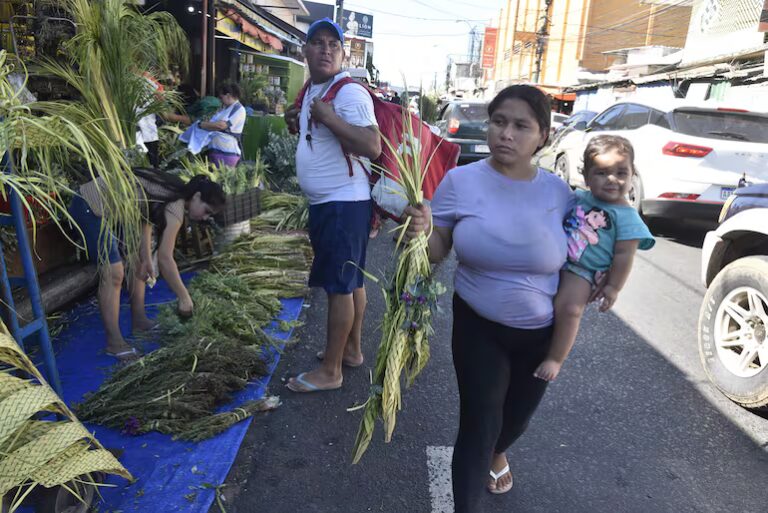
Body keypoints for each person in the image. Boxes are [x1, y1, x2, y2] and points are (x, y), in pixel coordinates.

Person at [404, 85, 573, 512]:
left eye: (521, 126)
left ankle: (501, 451)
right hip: (479, 324)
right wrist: (422, 232)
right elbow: (438, 251)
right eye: (499, 121)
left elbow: (584, 253)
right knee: (480, 422)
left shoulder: (560, 193)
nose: (506, 134)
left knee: (515, 421)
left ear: (543, 136)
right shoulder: (460, 182)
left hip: (541, 332)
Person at [284, 17, 381, 392]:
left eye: (333, 45)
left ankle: (331, 372)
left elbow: (371, 145)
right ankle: (351, 351)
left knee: (339, 287)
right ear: (305, 50)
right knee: (352, 282)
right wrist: (299, 116)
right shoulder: (313, 88)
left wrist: (329, 117)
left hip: (342, 204)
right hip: (335, 204)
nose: (326, 49)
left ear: (342, 53)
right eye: (318, 42)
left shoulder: (348, 93)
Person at [69, 169, 225, 362]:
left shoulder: (174, 191)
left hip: (110, 210)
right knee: (114, 272)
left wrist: (144, 257)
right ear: (197, 196)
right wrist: (184, 297)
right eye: (206, 211)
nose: (204, 218)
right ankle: (114, 343)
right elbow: (165, 259)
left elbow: (145, 216)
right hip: (89, 206)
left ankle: (139, 321)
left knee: (137, 263)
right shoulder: (176, 206)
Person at [533, 135, 655, 382]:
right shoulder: (578, 197)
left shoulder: (628, 217)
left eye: (621, 173)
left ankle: (555, 358)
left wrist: (612, 287)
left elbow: (624, 256)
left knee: (569, 309)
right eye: (601, 173)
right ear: (586, 177)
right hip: (555, 258)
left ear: (632, 177)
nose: (612, 180)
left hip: (581, 271)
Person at [179, 83, 246, 167]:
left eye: (221, 97)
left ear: (228, 95)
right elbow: (214, 122)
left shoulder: (239, 110)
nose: (220, 100)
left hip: (227, 153)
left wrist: (201, 125)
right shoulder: (225, 108)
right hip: (216, 151)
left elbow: (221, 126)